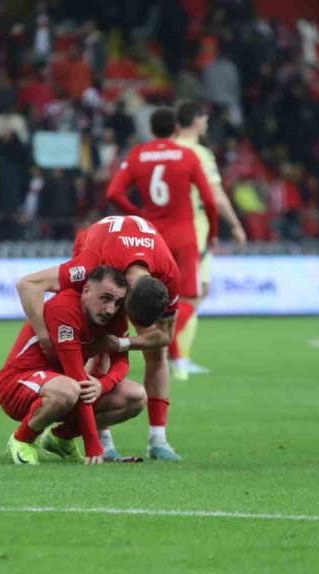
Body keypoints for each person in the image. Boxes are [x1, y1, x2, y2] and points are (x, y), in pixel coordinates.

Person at [16, 215, 180, 460]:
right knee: (98, 343)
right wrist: (44, 336)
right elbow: (29, 284)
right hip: (95, 242)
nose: (115, 313)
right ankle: (104, 441)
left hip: (132, 248)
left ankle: (158, 440)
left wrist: (121, 343)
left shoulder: (170, 274)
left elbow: (164, 336)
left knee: (157, 351)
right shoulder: (91, 263)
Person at [106, 107, 219, 387]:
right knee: (189, 300)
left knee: (149, 298)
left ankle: (176, 358)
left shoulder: (138, 154)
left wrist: (139, 215)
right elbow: (209, 198)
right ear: (177, 129)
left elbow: (113, 192)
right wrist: (214, 233)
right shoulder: (187, 155)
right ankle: (161, 345)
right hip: (183, 237)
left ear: (152, 129)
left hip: (151, 238)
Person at [0, 265, 148, 465]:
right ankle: (21, 440)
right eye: (105, 298)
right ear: (86, 290)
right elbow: (77, 378)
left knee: (135, 397)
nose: (111, 309)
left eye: (118, 302)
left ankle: (60, 438)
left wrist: (103, 384)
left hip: (63, 389)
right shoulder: (64, 310)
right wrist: (93, 446)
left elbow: (121, 362)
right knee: (71, 388)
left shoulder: (113, 315)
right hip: (17, 384)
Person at [171, 100, 247, 380]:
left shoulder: (165, 149)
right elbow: (214, 195)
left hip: (164, 228)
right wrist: (234, 224)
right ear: (199, 121)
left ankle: (176, 354)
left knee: (175, 294)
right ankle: (177, 355)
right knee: (196, 292)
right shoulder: (199, 153)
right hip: (194, 229)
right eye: (204, 120)